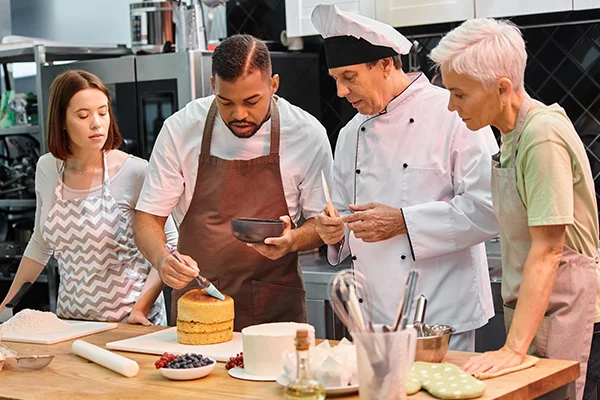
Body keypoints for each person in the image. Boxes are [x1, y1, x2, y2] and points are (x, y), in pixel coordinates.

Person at [311, 4, 499, 352]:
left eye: (349, 77)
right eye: (334, 79)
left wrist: (402, 222)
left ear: (385, 64)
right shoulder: (350, 133)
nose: (339, 92)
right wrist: (333, 231)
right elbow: (340, 213)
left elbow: (490, 209)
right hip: (371, 318)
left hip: (439, 315)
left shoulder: (455, 113)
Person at [430, 18, 599, 400]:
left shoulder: (541, 135)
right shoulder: (512, 134)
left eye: (460, 94)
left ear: (502, 87)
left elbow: (549, 248)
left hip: (571, 312)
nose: (451, 106)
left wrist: (512, 349)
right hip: (544, 311)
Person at [134, 34, 334, 330]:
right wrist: (162, 259)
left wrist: (293, 240)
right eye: (225, 101)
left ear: (273, 85)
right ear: (213, 86)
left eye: (252, 101)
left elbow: (323, 223)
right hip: (198, 307)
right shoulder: (181, 129)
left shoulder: (306, 134)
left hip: (274, 313)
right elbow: (147, 220)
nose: (239, 114)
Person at [0, 70, 178, 325]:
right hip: (71, 325)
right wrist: (5, 307)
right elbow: (40, 244)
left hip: (131, 325)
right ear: (61, 120)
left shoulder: (135, 171)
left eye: (103, 112)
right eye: (83, 115)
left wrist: (140, 310)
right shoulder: (48, 168)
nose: (97, 123)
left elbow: (168, 245)